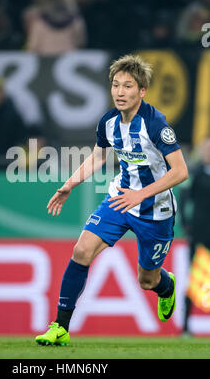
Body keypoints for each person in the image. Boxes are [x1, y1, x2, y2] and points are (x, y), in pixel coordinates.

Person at [35, 54, 188, 346]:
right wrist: (69, 185)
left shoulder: (156, 124)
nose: (120, 92)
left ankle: (165, 287)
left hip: (155, 210)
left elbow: (180, 171)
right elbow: (98, 157)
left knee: (147, 280)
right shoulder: (108, 122)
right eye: (116, 85)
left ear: (142, 91)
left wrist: (141, 194)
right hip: (119, 198)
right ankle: (60, 327)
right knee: (81, 251)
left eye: (128, 86)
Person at [179, 137, 210, 335]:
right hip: (199, 233)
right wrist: (185, 224)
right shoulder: (196, 173)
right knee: (193, 279)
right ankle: (186, 327)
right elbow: (183, 199)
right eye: (207, 149)